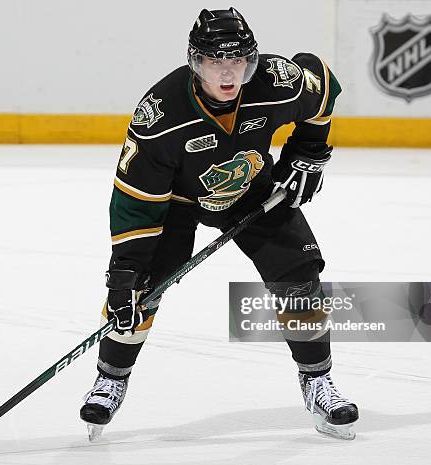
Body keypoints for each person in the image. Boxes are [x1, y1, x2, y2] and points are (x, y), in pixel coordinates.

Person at [80, 7, 359, 441]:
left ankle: (317, 380)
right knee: (139, 289)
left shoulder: (275, 81)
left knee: (298, 275)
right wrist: (125, 273)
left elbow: (323, 87)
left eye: (238, 62)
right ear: (196, 62)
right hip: (176, 203)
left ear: (252, 61)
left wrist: (309, 151)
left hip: (249, 189)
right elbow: (135, 202)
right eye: (215, 62)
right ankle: (111, 379)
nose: (228, 74)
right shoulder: (161, 114)